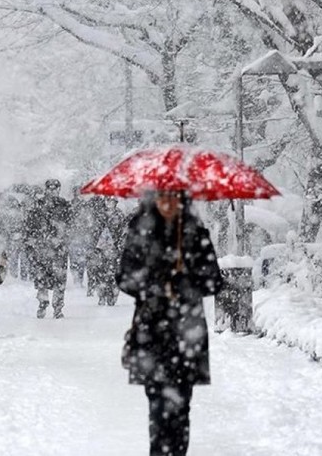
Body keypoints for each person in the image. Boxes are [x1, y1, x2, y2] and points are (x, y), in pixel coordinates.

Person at [115, 190, 223, 456]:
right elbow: (124, 278)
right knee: (158, 407)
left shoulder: (195, 234)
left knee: (181, 407)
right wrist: (154, 284)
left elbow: (214, 281)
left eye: (174, 198)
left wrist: (185, 282)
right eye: (162, 197)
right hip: (151, 330)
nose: (168, 203)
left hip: (188, 333)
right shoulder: (140, 232)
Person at [24, 178, 71, 318]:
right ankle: (42, 303)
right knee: (41, 278)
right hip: (42, 249)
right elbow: (29, 225)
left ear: (59, 189)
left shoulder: (65, 205)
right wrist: (32, 240)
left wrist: (62, 239)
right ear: (46, 189)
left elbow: (71, 226)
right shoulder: (38, 206)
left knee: (60, 279)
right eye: (50, 188)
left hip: (59, 249)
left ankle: (57, 308)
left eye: (55, 188)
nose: (52, 190)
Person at [89, 197, 125, 306]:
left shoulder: (120, 215)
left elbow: (123, 232)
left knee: (113, 273)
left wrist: (119, 244)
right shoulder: (99, 214)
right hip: (100, 249)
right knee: (100, 273)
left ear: (116, 203)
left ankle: (112, 295)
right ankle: (101, 296)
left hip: (114, 249)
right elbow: (93, 231)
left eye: (112, 201)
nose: (110, 203)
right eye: (108, 201)